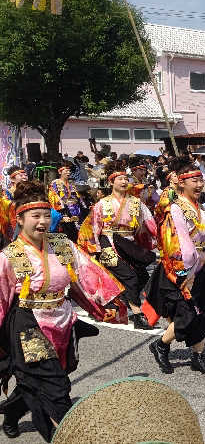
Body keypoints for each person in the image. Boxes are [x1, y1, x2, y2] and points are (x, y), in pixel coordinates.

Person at [0, 181, 126, 441]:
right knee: (57, 387)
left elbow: (85, 276)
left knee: (38, 381)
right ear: (20, 219)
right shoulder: (9, 255)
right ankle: (68, 436)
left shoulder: (61, 244)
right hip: (28, 326)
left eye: (47, 215)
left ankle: (11, 414)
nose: (42, 221)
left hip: (62, 320)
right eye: (35, 216)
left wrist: (107, 304)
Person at [143, 165, 205, 375]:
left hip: (201, 266)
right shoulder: (175, 209)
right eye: (194, 181)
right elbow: (177, 243)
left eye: (200, 180)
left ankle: (198, 356)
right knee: (187, 315)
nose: (199, 185)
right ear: (181, 183)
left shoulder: (200, 207)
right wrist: (186, 271)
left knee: (203, 312)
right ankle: (160, 345)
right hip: (181, 269)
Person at [77, 160, 158, 330]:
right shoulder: (102, 204)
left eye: (125, 178)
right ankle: (138, 315)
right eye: (119, 178)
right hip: (109, 243)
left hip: (129, 243)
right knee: (131, 278)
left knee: (143, 277)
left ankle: (124, 296)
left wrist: (160, 241)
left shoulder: (137, 203)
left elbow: (149, 224)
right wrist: (94, 249)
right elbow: (92, 227)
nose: (123, 181)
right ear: (111, 182)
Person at [48, 165, 81, 241]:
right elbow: (54, 198)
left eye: (69, 171)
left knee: (74, 234)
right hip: (63, 211)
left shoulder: (71, 183)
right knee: (64, 233)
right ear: (60, 172)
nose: (68, 172)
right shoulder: (55, 183)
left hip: (73, 211)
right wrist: (62, 214)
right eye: (66, 171)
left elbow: (76, 197)